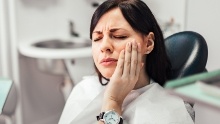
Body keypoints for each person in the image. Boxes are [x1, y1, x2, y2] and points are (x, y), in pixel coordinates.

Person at [59, 0, 194, 124]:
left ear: (148, 43)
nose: (104, 46)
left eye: (119, 36)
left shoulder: (168, 113)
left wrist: (113, 102)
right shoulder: (84, 89)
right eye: (97, 38)